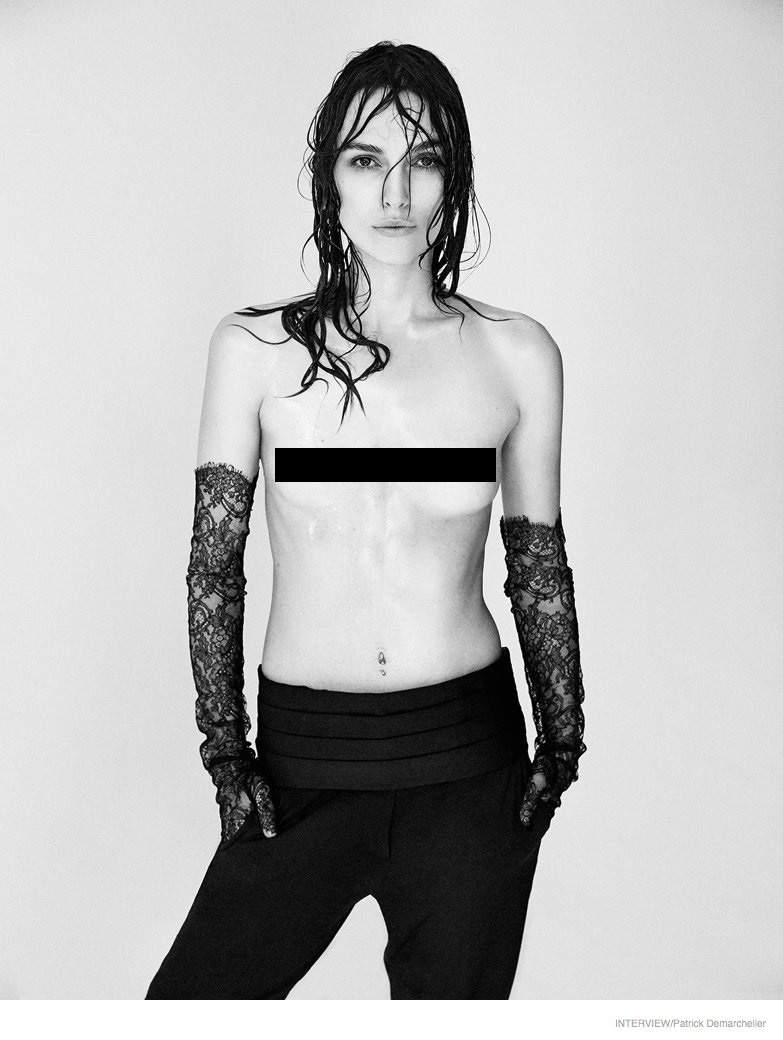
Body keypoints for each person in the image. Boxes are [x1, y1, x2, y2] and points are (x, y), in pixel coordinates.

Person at [145, 40, 586, 1001]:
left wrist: (562, 739)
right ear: (329, 179)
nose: (394, 191)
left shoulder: (517, 356)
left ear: (453, 178)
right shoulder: (254, 351)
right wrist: (226, 750)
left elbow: (536, 567)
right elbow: (213, 566)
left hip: (468, 763)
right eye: (364, 159)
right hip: (301, 761)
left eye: (422, 160)